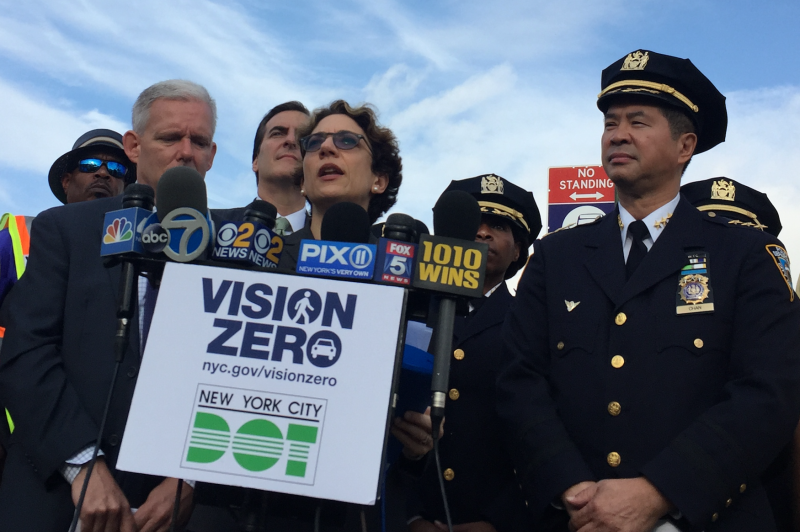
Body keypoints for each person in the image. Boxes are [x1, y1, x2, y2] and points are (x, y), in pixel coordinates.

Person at [497, 49, 800, 532]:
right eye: (610, 123)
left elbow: (769, 393)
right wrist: (573, 490)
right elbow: (519, 381)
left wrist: (660, 494)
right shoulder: (556, 257)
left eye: (638, 122)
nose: (617, 134)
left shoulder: (745, 255)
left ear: (685, 146)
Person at [0, 79, 217, 532]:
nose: (185, 152)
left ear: (212, 154)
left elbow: (235, 377)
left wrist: (190, 477)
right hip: (56, 499)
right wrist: (82, 463)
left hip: (171, 512)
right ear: (134, 146)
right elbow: (26, 350)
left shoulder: (227, 251)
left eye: (198, 141)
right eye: (170, 138)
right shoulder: (65, 229)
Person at [408, 174, 540, 532]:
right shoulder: (409, 310)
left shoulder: (532, 324)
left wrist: (500, 521)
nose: (482, 233)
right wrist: (411, 515)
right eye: (474, 224)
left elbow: (540, 433)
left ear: (518, 250)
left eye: (498, 226)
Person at [278, 99, 402, 268]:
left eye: (347, 141)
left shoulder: (397, 269)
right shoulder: (269, 260)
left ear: (379, 181)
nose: (325, 147)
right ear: (303, 184)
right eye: (314, 142)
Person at [251, 101, 311, 235]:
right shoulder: (212, 227)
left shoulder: (329, 241)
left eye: (302, 137)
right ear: (255, 161)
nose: (291, 140)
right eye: (277, 133)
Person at [49, 129, 136, 204]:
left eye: (116, 168)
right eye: (90, 164)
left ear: (125, 188)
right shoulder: (46, 219)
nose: (103, 173)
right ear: (67, 182)